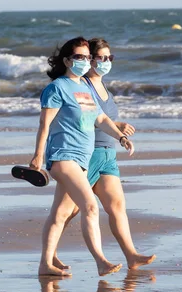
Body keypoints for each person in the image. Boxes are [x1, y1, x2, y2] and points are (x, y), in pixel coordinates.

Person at [29, 36, 135, 277]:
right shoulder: (57, 88)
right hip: (63, 157)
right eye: (79, 57)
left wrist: (120, 137)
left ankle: (46, 263)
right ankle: (100, 261)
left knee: (60, 213)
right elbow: (44, 125)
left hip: (83, 159)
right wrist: (37, 156)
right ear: (67, 60)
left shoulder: (85, 88)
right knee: (89, 206)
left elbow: (100, 119)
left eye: (88, 57)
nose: (85, 61)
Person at [50, 38, 156, 272]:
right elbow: (82, 117)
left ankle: (131, 255)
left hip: (108, 153)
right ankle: (50, 256)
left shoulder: (103, 86)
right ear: (90, 59)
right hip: (88, 154)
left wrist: (119, 133)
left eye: (110, 58)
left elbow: (102, 117)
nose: (106, 62)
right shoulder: (82, 85)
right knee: (68, 210)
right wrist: (117, 125)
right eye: (101, 58)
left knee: (117, 205)